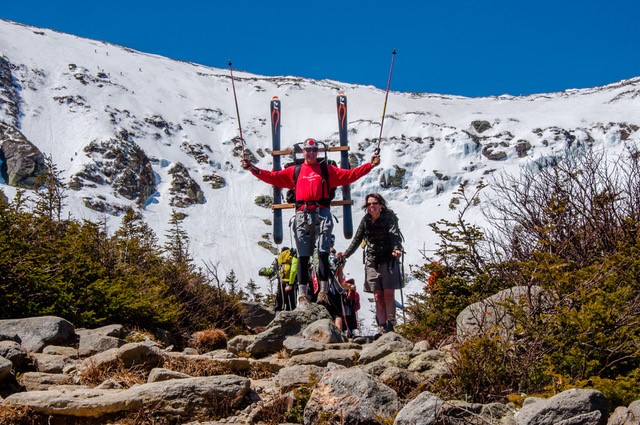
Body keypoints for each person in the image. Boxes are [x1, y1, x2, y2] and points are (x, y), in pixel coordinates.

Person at [241, 138, 380, 304]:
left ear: (318, 152)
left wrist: (369, 166)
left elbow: (350, 175)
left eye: (314, 150)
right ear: (303, 152)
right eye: (308, 150)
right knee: (303, 256)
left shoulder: (327, 170)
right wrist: (251, 168)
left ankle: (323, 292)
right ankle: (302, 295)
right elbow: (272, 177)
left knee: (322, 253)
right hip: (302, 215)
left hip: (322, 213)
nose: (311, 153)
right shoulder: (295, 171)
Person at [337, 193, 403, 334]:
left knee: (389, 294)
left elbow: (394, 235)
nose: (371, 206)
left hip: (388, 259)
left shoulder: (389, 218)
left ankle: (391, 325)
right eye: (369, 204)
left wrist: (396, 249)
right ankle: (382, 327)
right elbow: (357, 239)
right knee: (378, 296)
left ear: (381, 205)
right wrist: (346, 254)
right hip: (372, 260)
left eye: (374, 203)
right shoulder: (366, 220)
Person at [275, 247, 298, 311]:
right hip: (290, 281)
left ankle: (279, 314)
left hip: (282, 280)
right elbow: (293, 270)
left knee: (281, 300)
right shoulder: (293, 256)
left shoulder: (281, 258)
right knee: (291, 303)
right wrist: (291, 283)